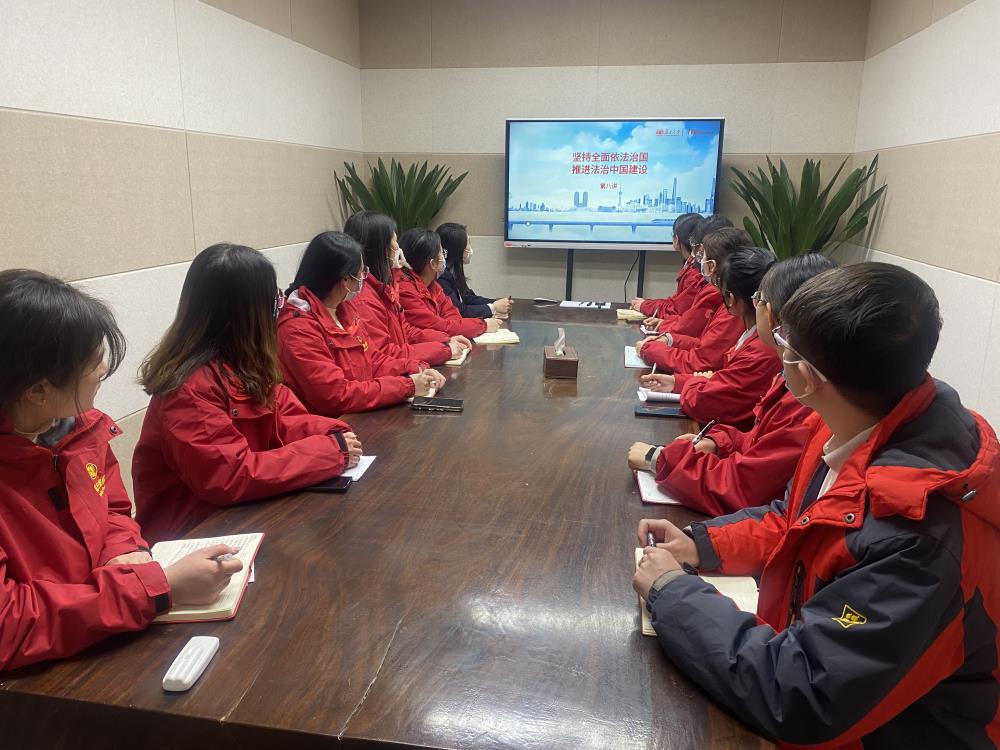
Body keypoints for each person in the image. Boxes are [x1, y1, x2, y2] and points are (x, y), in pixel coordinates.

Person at [633, 263, 1000, 747]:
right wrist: (702, 543)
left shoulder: (919, 533)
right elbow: (792, 520)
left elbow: (805, 694)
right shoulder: (857, 422)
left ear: (805, 375)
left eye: (783, 342)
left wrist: (673, 594)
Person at [0, 269, 242, 670]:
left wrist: (125, 552)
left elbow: (112, 510)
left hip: (105, 632)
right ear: (38, 389)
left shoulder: (80, 431)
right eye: (93, 362)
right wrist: (153, 589)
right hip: (40, 678)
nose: (103, 371)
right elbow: (8, 624)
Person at [133, 244, 362, 542]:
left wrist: (335, 433)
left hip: (246, 515)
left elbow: (287, 419)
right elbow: (230, 475)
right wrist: (330, 452)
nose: (279, 307)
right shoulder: (189, 387)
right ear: (248, 312)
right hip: (195, 535)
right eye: (274, 299)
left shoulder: (245, 362)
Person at [626, 253, 836, 516]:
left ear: (772, 316)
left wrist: (658, 459)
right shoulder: (792, 374)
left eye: (760, 299)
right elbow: (758, 439)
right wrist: (720, 441)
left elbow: (743, 486)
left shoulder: (797, 387)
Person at [278, 231, 446, 415]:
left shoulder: (343, 308)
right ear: (345, 280)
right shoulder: (298, 329)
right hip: (337, 424)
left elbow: (373, 359)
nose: (363, 279)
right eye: (361, 273)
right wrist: (407, 386)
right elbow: (336, 396)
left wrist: (414, 368)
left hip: (363, 413)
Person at [633, 246, 780, 430]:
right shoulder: (753, 332)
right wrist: (681, 381)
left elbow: (705, 395)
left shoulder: (760, 347)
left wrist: (696, 380)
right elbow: (713, 361)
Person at [345, 210, 470, 366]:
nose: (398, 246)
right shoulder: (363, 298)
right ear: (381, 248)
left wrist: (445, 340)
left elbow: (407, 331)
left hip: (403, 366)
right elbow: (383, 353)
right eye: (394, 240)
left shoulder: (385, 286)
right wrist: (443, 349)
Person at [636, 227, 747, 373]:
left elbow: (702, 360)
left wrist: (649, 350)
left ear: (712, 265)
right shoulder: (729, 298)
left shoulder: (732, 308)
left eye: (702, 255)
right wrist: (670, 339)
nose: (698, 260)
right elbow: (704, 343)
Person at [397, 229, 503, 339]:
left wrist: (455, 329)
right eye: (442, 253)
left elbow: (453, 316)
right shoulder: (405, 290)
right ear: (432, 264)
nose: (444, 257)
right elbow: (438, 326)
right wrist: (482, 325)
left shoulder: (433, 285)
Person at [641, 214, 734, 336]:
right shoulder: (708, 279)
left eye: (701, 251)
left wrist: (664, 332)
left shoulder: (707, 284)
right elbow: (687, 317)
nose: (697, 255)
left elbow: (687, 323)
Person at [629, 212, 700, 318]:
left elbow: (677, 311)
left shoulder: (695, 273)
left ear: (677, 238)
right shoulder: (691, 265)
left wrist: (645, 306)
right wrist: (647, 304)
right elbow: (676, 303)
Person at [436, 222, 512, 319]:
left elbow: (468, 298)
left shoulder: (453, 271)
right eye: (468, 243)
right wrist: (493, 307)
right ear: (457, 248)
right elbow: (459, 311)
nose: (470, 248)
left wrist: (497, 303)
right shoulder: (441, 277)